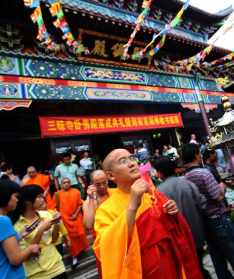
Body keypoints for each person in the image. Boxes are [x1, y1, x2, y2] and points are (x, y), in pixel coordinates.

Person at [93, 148, 203, 279]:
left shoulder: (151, 194)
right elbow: (106, 249)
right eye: (123, 161)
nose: (132, 163)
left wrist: (171, 213)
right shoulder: (105, 210)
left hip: (171, 265)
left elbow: (171, 229)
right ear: (111, 176)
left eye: (132, 158)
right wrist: (133, 205)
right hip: (143, 271)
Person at [182, 143, 234, 279]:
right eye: (199, 153)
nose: (200, 156)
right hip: (218, 218)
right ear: (196, 155)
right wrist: (222, 186)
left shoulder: (184, 178)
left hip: (203, 221)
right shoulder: (204, 173)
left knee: (216, 256)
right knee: (231, 250)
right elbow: (217, 196)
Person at [154, 157, 211, 279]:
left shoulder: (158, 192)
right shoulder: (187, 183)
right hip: (197, 234)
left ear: (159, 173)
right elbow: (202, 203)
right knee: (198, 263)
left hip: (178, 240)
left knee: (188, 269)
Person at [14, 185, 66, 279]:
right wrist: (40, 230)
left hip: (56, 266)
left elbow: (53, 240)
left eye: (42, 196)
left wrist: (57, 223)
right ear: (27, 201)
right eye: (39, 197)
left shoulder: (45, 214)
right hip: (36, 274)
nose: (43, 199)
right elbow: (29, 253)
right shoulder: (17, 225)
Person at [0, 180, 39, 279]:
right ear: (5, 196)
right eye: (15, 196)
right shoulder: (3, 220)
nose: (17, 200)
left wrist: (19, 235)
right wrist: (31, 249)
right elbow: (15, 259)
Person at [55, 178, 89, 268]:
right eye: (64, 182)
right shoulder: (58, 194)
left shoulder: (76, 192)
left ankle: (81, 249)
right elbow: (57, 207)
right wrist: (62, 216)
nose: (66, 184)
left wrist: (75, 214)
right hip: (65, 219)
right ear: (61, 184)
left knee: (81, 234)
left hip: (77, 217)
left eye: (68, 182)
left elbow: (79, 204)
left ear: (70, 183)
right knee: (70, 239)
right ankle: (74, 257)